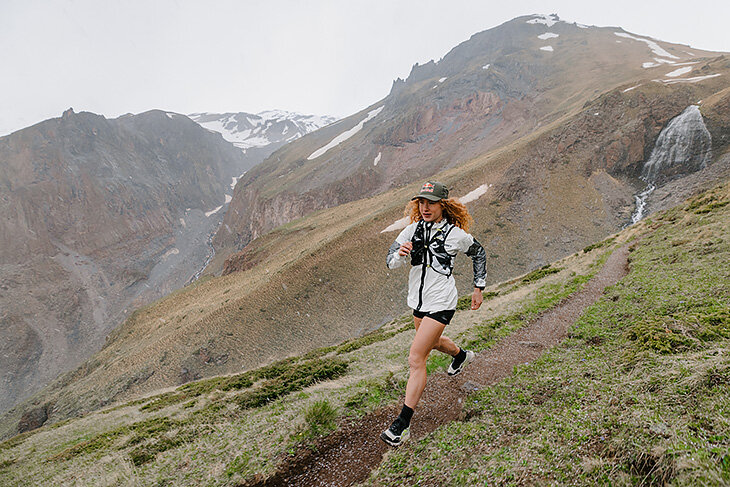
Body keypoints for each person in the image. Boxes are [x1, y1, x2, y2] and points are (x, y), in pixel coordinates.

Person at [380, 181, 487, 447]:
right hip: (417, 301)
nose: (425, 208)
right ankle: (461, 355)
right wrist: (401, 255)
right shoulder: (411, 230)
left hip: (442, 302)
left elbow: (479, 252)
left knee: (417, 357)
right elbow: (390, 261)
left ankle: (401, 424)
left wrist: (478, 288)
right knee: (433, 342)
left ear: (443, 205)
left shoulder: (454, 234)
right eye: (421, 203)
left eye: (431, 203)